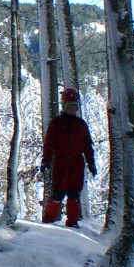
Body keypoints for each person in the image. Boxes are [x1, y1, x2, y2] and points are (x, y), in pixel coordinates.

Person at [40, 87, 97, 228]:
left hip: (77, 163)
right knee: (57, 194)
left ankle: (72, 223)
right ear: (64, 107)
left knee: (74, 194)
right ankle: (47, 223)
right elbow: (48, 144)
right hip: (61, 162)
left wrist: (91, 163)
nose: (73, 110)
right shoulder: (56, 123)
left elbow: (87, 146)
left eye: (75, 107)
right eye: (70, 107)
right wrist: (45, 160)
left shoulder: (81, 125)